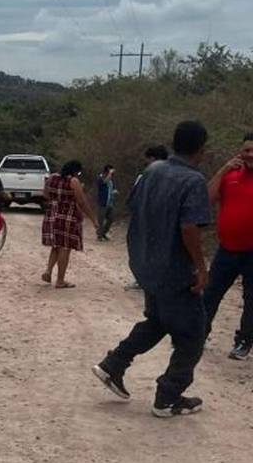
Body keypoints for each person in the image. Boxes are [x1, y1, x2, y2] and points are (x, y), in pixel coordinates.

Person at [93, 121, 211, 418]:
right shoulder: (193, 180)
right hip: (175, 270)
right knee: (194, 333)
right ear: (201, 148)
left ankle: (113, 365)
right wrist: (200, 267)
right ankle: (168, 397)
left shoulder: (151, 171)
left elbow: (134, 208)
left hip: (147, 265)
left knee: (158, 320)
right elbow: (189, 229)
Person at [202, 133, 253, 360]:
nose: (249, 155)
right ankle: (198, 335)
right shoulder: (230, 175)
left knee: (251, 299)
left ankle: (244, 342)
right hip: (227, 249)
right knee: (210, 294)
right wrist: (223, 169)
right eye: (246, 150)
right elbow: (205, 198)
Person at [41, 160, 98, 288]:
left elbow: (45, 194)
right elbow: (82, 202)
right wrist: (93, 219)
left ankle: (48, 271)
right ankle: (60, 280)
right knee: (65, 248)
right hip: (68, 217)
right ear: (76, 171)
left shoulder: (52, 178)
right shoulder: (73, 181)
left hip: (51, 215)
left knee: (55, 245)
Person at [125, 145, 170, 290]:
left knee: (140, 249)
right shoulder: (174, 175)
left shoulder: (145, 175)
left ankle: (143, 279)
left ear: (152, 158)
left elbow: (134, 199)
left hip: (144, 221)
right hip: (164, 222)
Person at [96, 164, 118, 241]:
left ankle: (103, 233)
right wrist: (109, 174)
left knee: (111, 219)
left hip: (110, 202)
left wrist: (114, 191)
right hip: (102, 202)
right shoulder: (100, 177)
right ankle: (100, 235)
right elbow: (104, 182)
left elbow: (110, 188)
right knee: (101, 220)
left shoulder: (111, 179)